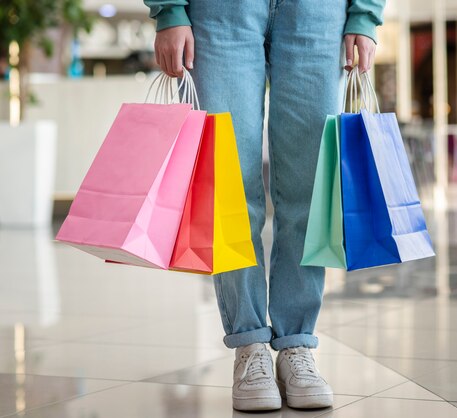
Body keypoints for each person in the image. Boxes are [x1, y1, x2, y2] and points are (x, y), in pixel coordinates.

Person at [144, 0, 385, 412]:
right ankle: (250, 342)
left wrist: (365, 12)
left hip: (317, 11)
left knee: (310, 186)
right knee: (229, 183)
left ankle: (296, 344)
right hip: (221, 12)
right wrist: (169, 9)